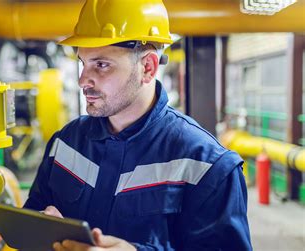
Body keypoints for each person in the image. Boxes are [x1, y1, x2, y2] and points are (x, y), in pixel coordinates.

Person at [24, 0, 252, 250]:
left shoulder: (208, 165)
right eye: (83, 63)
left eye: (101, 65)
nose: (82, 81)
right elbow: (33, 216)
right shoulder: (66, 143)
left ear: (148, 67)